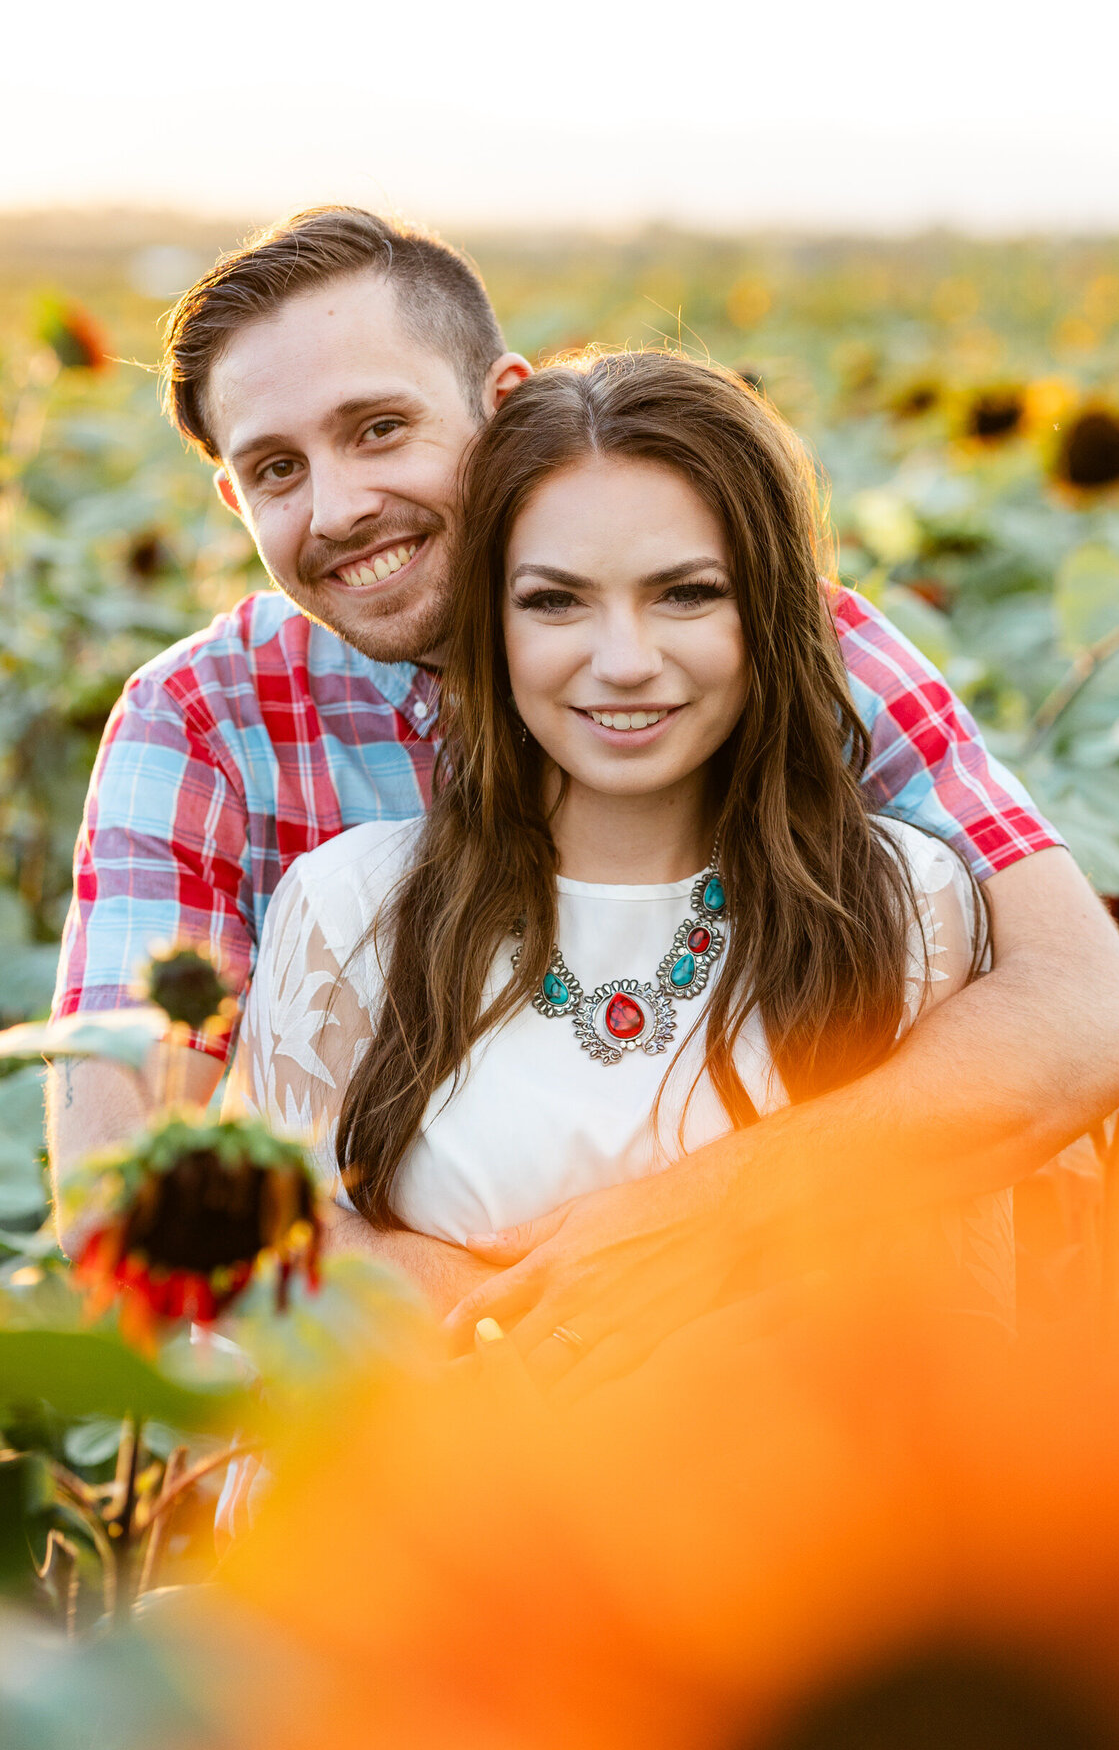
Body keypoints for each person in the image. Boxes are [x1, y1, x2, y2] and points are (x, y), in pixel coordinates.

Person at [48, 207, 1119, 1352]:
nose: (337, 508)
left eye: (380, 428)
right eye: (278, 469)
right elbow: (114, 1180)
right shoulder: (203, 719)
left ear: (502, 406)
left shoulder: (773, 644)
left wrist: (676, 1236)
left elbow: (1084, 1014)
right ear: (235, 503)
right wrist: (505, 1335)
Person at [228, 349, 1015, 1334]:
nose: (626, 662)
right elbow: (275, 1308)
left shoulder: (907, 905)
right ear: (489, 625)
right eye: (555, 601)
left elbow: (971, 1338)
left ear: (765, 612)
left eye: (686, 593)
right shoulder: (346, 911)